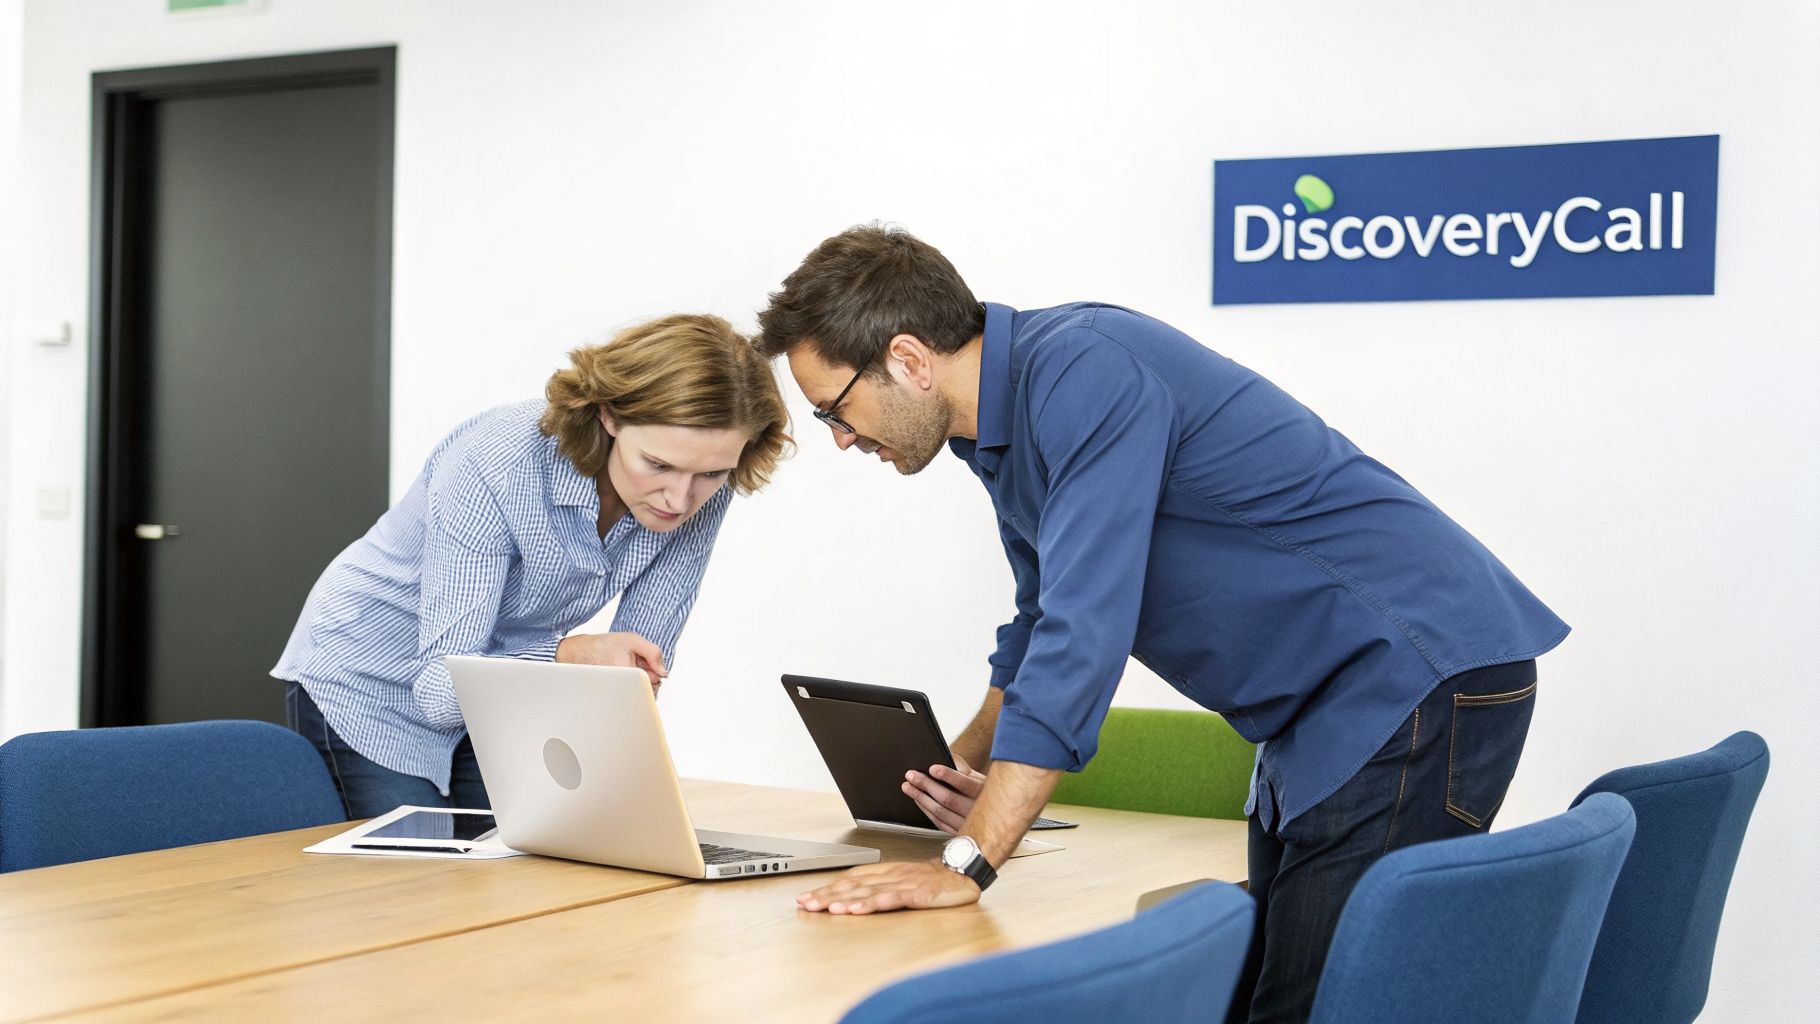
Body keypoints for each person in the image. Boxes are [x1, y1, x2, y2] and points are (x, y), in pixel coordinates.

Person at [753, 225, 1568, 1024]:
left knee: (1314, 1005)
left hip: (1413, 670)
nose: (841, 438)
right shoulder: (1000, 432)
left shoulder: (1082, 369)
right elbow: (1041, 620)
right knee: (1252, 993)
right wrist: (944, 774)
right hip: (1327, 708)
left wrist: (971, 862)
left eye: (835, 409)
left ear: (907, 359)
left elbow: (1084, 629)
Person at [273, 313, 789, 819]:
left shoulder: (700, 487)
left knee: (526, 865)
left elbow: (631, 677)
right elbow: (438, 693)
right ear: (609, 416)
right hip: (372, 678)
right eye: (657, 465)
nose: (679, 500)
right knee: (420, 879)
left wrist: (633, 808)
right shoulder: (496, 462)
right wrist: (567, 655)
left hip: (502, 683)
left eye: (712, 473)